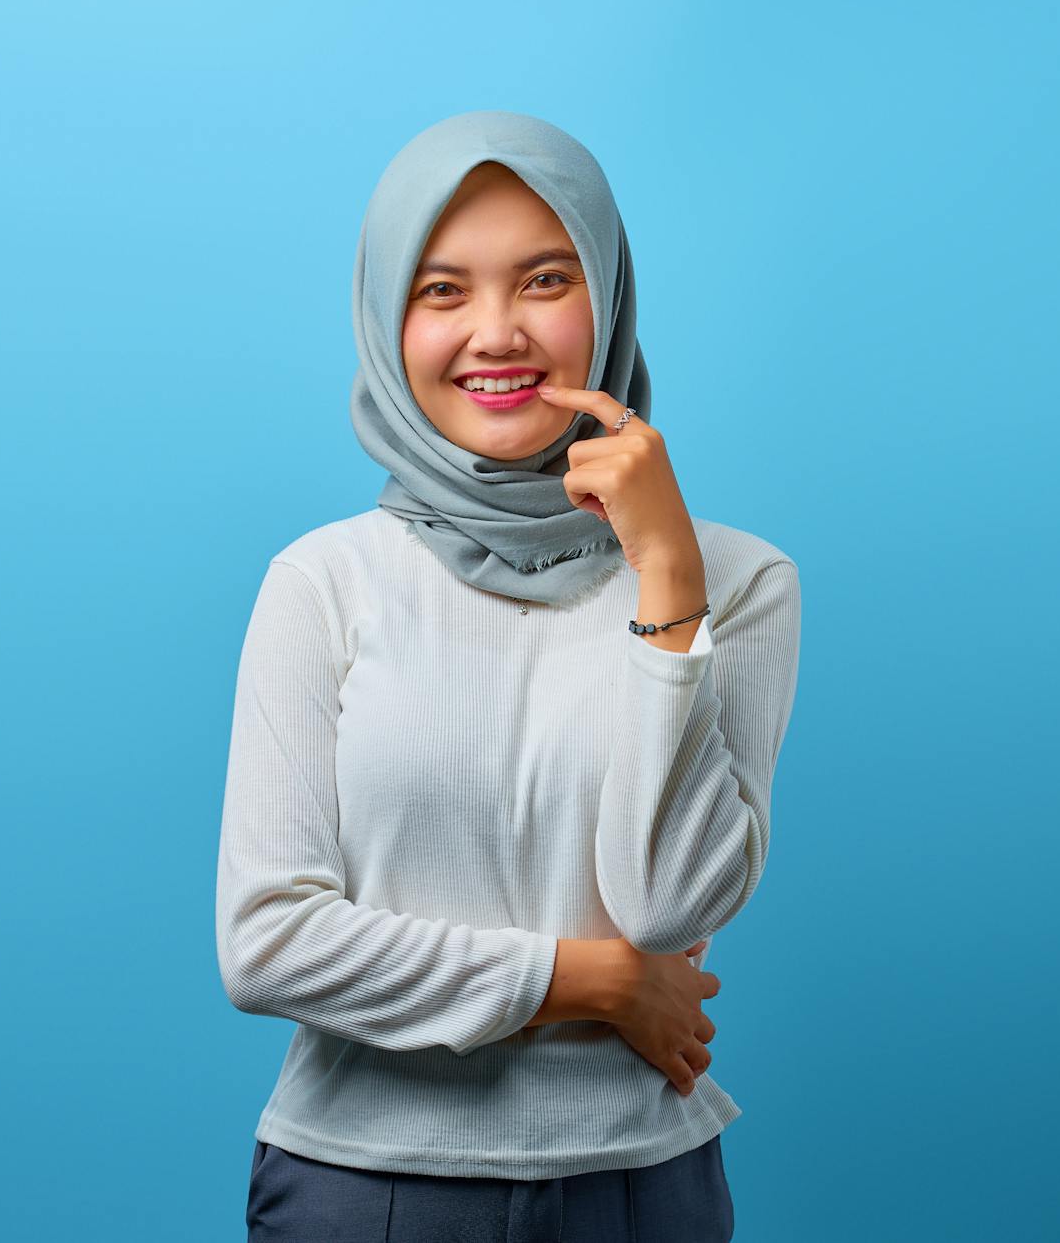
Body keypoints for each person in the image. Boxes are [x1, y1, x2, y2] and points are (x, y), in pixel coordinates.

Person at [215, 110, 801, 1242]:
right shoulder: (323, 582)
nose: (497, 334)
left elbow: (670, 904)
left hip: (641, 1186)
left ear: (608, 300)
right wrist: (591, 982)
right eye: (442, 290)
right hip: (365, 1184)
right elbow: (268, 942)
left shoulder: (737, 580)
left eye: (544, 280)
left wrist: (667, 575)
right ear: (386, 317)